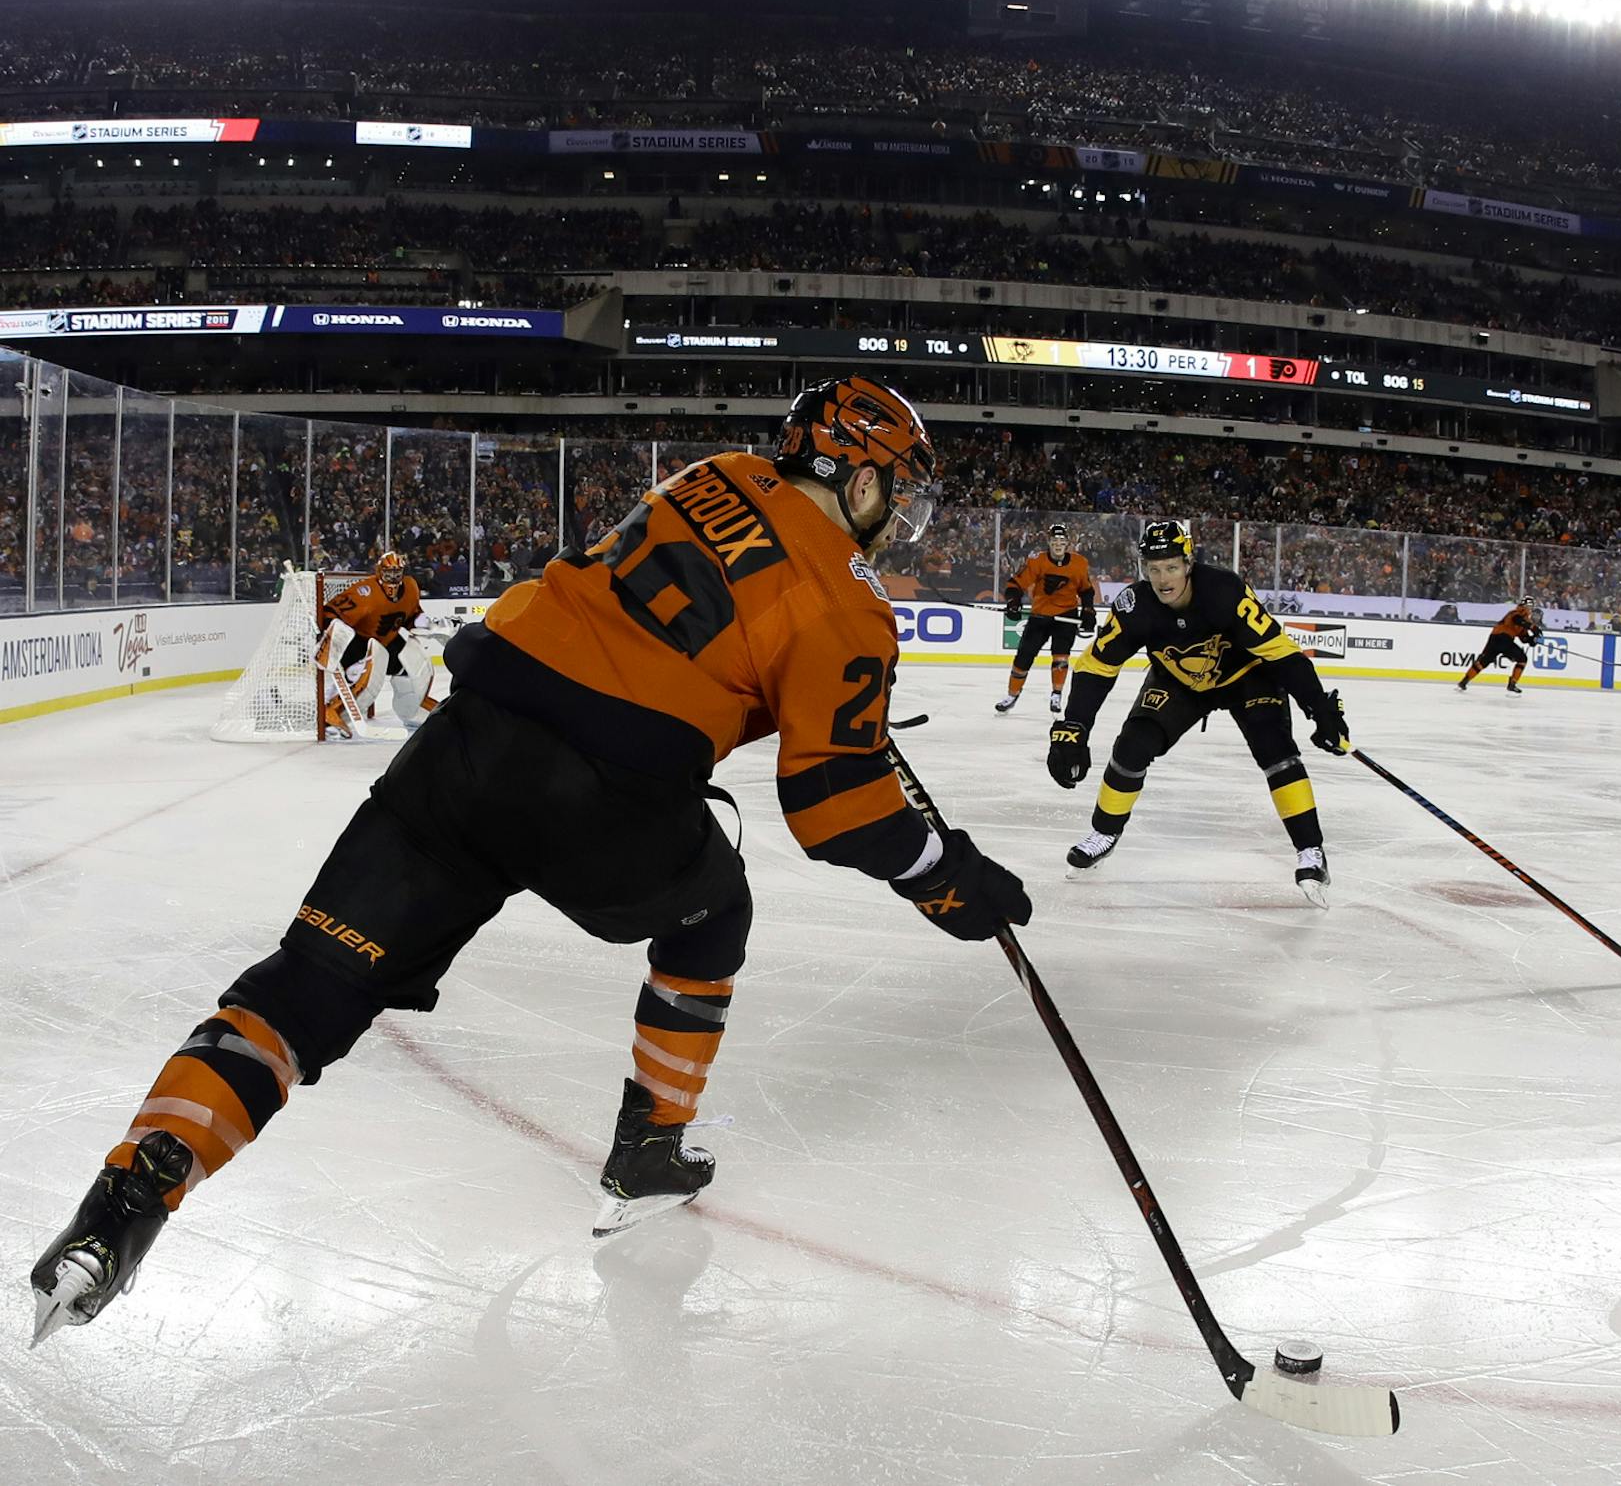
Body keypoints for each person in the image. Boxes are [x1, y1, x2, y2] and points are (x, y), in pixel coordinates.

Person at [30, 376, 1034, 1346]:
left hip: (472, 736)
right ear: (860, 477)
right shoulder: (850, 599)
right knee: (711, 907)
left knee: (302, 991)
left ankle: (122, 1203)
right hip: (604, 794)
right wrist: (948, 875)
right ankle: (646, 1151)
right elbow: (836, 806)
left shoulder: (713, 473)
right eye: (895, 487)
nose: (897, 513)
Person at [1045, 520, 1349, 904]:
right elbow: (1096, 667)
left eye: (1171, 567)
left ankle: (1312, 852)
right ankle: (1104, 832)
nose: (1162, 578)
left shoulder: (1224, 591)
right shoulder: (1135, 605)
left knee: (1276, 751)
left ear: (1188, 564)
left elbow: (1281, 653)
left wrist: (1318, 707)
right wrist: (1074, 726)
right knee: (1133, 746)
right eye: (1153, 569)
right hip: (1179, 680)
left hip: (1246, 675)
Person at [320, 552, 437, 737]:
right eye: (388, 573)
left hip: (387, 640)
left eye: (397, 573)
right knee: (364, 677)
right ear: (379, 571)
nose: (393, 578)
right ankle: (331, 710)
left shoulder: (410, 587)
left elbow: (411, 617)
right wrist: (330, 632)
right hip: (358, 642)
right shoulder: (365, 592)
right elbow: (330, 612)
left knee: (413, 667)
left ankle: (413, 709)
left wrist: (428, 623)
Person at [997, 522, 1097, 715]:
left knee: (1061, 656)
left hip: (1066, 616)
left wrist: (1088, 612)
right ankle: (1012, 694)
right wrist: (1013, 602)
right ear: (1049, 543)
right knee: (1023, 657)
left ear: (1067, 542)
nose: (1058, 544)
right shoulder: (1037, 561)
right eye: (1054, 540)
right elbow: (1016, 584)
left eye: (1061, 540)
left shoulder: (1079, 563)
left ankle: (1056, 694)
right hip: (1040, 616)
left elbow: (1086, 591)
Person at [1458, 595, 1542, 695]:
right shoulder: (1515, 613)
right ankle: (1512, 683)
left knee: (1483, 662)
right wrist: (1533, 627)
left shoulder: (1525, 621)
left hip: (1495, 639)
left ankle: (1464, 682)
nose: (1530, 609)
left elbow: (1524, 638)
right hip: (1503, 638)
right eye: (1529, 606)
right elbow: (1518, 620)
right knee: (1522, 659)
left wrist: (1532, 640)